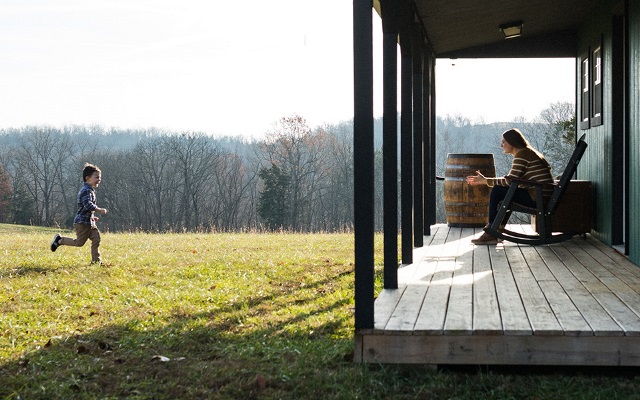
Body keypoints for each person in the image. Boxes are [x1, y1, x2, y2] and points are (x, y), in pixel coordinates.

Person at [466, 128, 553, 245]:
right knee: (505, 194)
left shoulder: (522, 154)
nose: (502, 145)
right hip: (539, 195)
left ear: (512, 142)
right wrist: (488, 180)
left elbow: (510, 181)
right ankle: (498, 228)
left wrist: (486, 181)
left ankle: (491, 231)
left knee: (498, 191)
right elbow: (513, 180)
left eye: (504, 142)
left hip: (538, 197)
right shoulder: (527, 152)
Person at [51, 163, 108, 263]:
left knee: (96, 239)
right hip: (82, 223)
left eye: (100, 177)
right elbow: (88, 205)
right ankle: (59, 240)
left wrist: (92, 217)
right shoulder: (86, 191)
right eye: (97, 177)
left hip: (89, 222)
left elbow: (86, 208)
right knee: (79, 242)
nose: (99, 179)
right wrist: (99, 210)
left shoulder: (90, 190)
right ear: (88, 178)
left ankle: (96, 261)